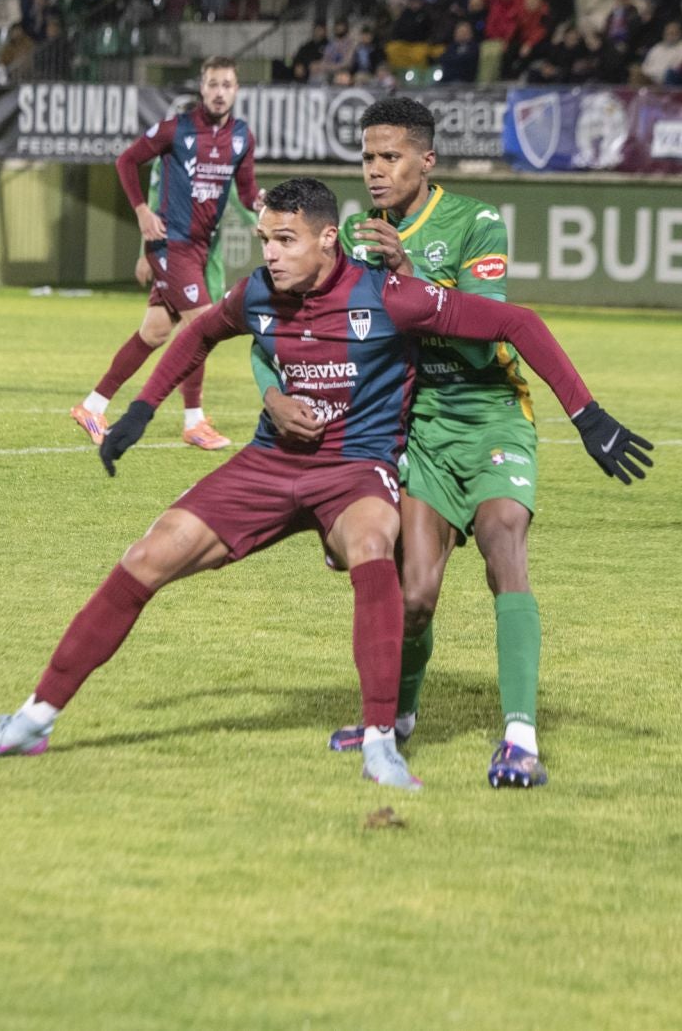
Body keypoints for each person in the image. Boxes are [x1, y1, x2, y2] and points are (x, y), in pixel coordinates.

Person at [0, 171, 652, 790]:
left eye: (284, 241)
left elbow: (516, 321)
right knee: (145, 556)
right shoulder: (259, 293)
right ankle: (34, 719)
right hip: (269, 464)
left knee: (374, 544)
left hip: (354, 471)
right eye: (264, 241)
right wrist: (138, 412)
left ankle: (380, 741)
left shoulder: (392, 296)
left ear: (326, 242)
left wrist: (587, 415)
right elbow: (196, 332)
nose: (270, 256)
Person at [255, 97, 639, 789]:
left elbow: (487, 329)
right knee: (418, 593)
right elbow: (278, 321)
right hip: (422, 426)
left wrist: (411, 279)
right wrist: (273, 392)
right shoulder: (353, 237)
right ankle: (397, 719)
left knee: (502, 543)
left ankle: (520, 737)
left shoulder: (474, 222)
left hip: (491, 413)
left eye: (390, 157)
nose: (375, 171)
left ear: (426, 162)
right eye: (368, 158)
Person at [71, 55, 262, 453]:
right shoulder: (177, 130)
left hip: (199, 247)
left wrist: (260, 205)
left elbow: (245, 192)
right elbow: (127, 160)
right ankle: (194, 422)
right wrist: (142, 211)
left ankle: (92, 405)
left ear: (237, 90)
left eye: (227, 84)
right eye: (213, 84)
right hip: (170, 244)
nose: (220, 92)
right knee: (205, 326)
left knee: (154, 333)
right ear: (202, 87)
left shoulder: (242, 137)